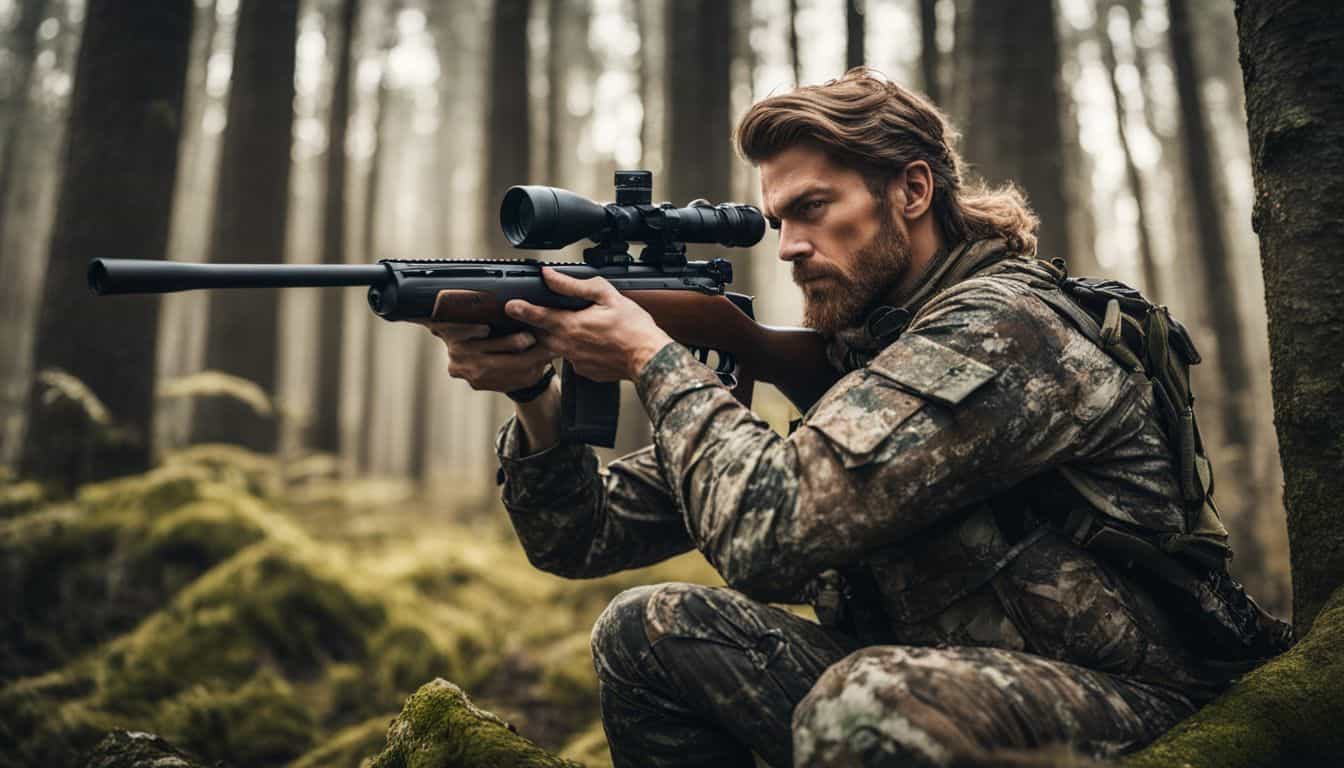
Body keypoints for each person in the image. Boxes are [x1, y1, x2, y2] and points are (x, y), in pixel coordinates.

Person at [426, 69, 1284, 768]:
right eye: (776, 220)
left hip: (1134, 704)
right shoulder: (861, 349)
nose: (790, 245)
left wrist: (654, 359)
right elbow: (581, 538)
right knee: (648, 631)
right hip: (937, 682)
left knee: (867, 698)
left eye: (813, 208)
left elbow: (773, 534)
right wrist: (535, 393)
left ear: (911, 190)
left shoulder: (1006, 328)